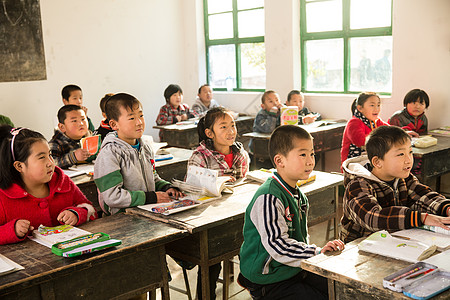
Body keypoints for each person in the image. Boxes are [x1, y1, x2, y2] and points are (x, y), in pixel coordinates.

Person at [239, 125, 344, 299]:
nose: (310, 161)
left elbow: (299, 238)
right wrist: (316, 253)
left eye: (312, 153)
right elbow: (278, 245)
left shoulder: (297, 194)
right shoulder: (269, 197)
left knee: (338, 289)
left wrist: (317, 254)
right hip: (268, 277)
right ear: (280, 161)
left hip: (290, 268)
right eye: (303, 154)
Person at [340, 126, 450, 243]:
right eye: (401, 154)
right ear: (377, 162)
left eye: (410, 152)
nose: (409, 160)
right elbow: (372, 218)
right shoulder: (357, 185)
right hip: (357, 249)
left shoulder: (404, 178)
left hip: (392, 242)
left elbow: (423, 196)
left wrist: (446, 207)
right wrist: (420, 218)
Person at [184, 107, 249, 299]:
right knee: (211, 259)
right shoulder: (200, 156)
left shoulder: (240, 152)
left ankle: (248, 277)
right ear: (209, 133)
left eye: (232, 125)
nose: (231, 131)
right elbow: (191, 189)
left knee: (249, 244)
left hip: (236, 211)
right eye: (223, 127)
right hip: (209, 217)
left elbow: (243, 182)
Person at [0, 125, 96, 245]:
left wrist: (77, 214)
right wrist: (12, 230)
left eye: (49, 155)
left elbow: (89, 208)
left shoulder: (62, 182)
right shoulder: (4, 196)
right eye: (41, 157)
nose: (50, 163)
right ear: (19, 166)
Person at [94, 93, 183, 216]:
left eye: (141, 115)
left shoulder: (145, 147)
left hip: (147, 209)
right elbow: (113, 196)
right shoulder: (109, 153)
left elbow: (152, 178)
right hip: (122, 216)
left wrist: (166, 188)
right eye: (131, 118)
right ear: (114, 125)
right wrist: (151, 197)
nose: (139, 122)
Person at [340, 92, 389, 165]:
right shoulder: (354, 123)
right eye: (372, 105)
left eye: (378, 105)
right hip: (354, 164)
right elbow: (361, 142)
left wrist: (402, 133)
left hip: (369, 160)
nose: (377, 109)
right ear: (360, 108)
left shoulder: (376, 121)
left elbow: (390, 130)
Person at [49, 105, 95, 169]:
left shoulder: (92, 137)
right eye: (74, 121)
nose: (81, 123)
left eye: (83, 119)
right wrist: (73, 157)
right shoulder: (56, 143)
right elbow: (51, 165)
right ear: (62, 127)